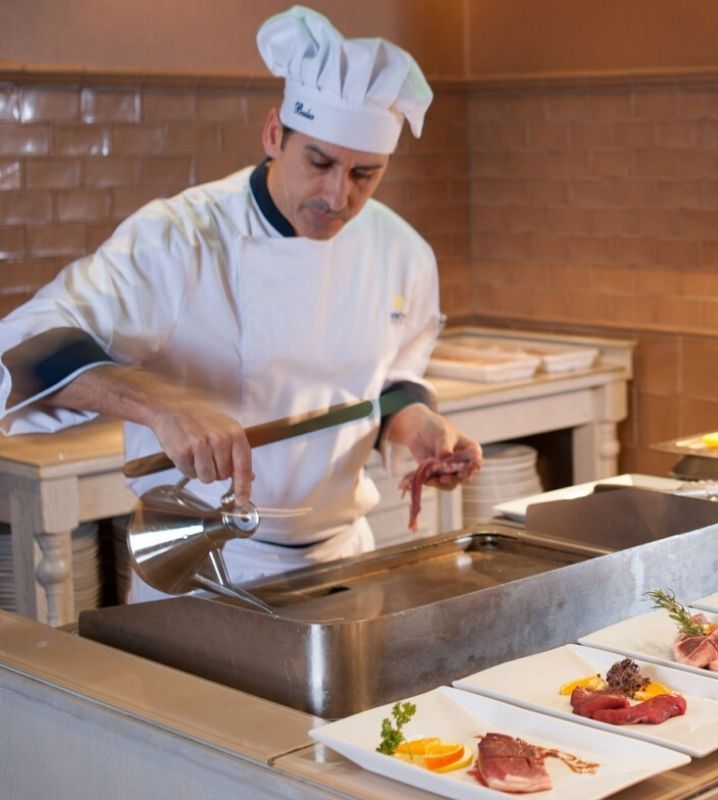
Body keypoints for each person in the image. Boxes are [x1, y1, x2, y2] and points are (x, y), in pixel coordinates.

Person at [0, 6, 482, 600]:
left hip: (344, 563)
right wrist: (161, 405)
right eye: (320, 163)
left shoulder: (401, 251)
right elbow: (21, 348)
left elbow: (387, 381)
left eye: (365, 174)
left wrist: (416, 424)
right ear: (274, 133)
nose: (338, 196)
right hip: (201, 569)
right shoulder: (180, 238)